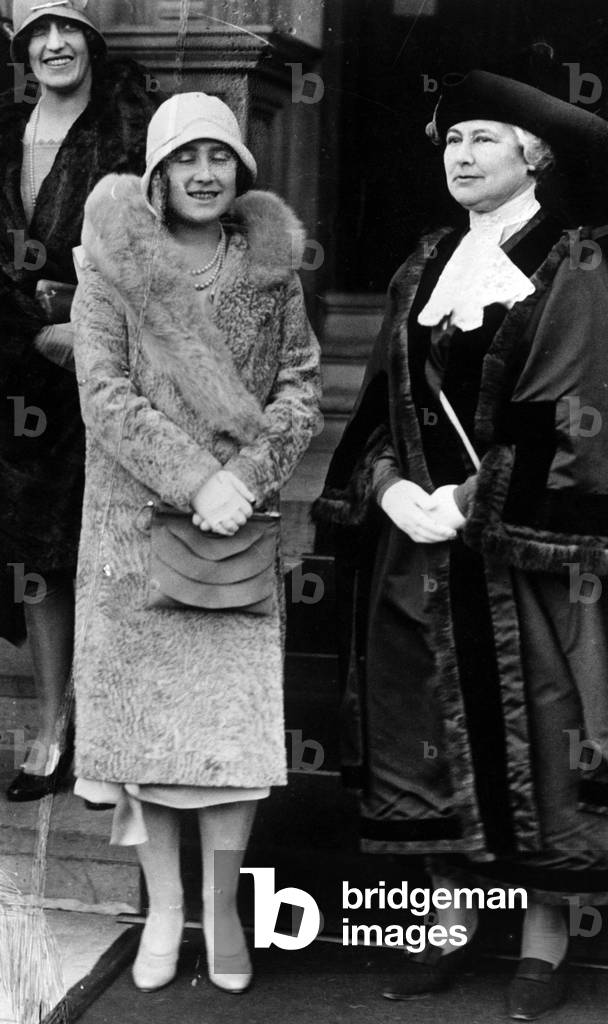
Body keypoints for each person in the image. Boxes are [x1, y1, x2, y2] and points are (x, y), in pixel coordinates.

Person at [313, 69, 608, 1019]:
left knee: (541, 737)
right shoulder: (422, 268)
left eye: (483, 138)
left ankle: (542, 940)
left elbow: (577, 419)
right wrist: (390, 487)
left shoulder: (570, 267)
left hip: (525, 562)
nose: (461, 155)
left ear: (534, 155)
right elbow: (378, 410)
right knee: (429, 741)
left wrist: (467, 498)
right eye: (451, 140)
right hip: (419, 555)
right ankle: (449, 924)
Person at [69, 92, 322, 993]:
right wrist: (194, 479)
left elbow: (301, 386)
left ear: (242, 170)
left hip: (234, 533)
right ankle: (165, 911)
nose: (204, 174)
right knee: (145, 741)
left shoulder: (268, 268)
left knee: (229, 740)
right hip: (134, 528)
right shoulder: (111, 268)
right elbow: (103, 395)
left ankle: (221, 910)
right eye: (185, 160)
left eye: (220, 157)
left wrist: (244, 482)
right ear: (158, 174)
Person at [0, 0, 159, 801]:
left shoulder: (130, 131)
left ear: (92, 39)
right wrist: (28, 328)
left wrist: (79, 322)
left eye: (68, 28)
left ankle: (104, 730)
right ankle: (51, 724)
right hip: (12, 366)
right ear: (21, 47)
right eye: (39, 32)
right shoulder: (3, 132)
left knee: (96, 546)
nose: (54, 45)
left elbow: (159, 243)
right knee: (33, 557)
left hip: (102, 370)